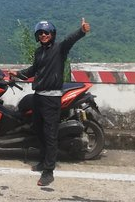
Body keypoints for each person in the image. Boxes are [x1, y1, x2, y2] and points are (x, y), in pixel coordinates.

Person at [10, 17, 91, 187]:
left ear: (52, 34)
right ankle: (43, 160)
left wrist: (81, 31)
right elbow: (33, 70)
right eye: (40, 33)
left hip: (52, 98)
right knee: (38, 129)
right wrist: (18, 74)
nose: (43, 35)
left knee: (50, 134)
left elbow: (70, 40)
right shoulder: (39, 52)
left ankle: (48, 172)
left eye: (46, 32)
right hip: (38, 96)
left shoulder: (60, 48)